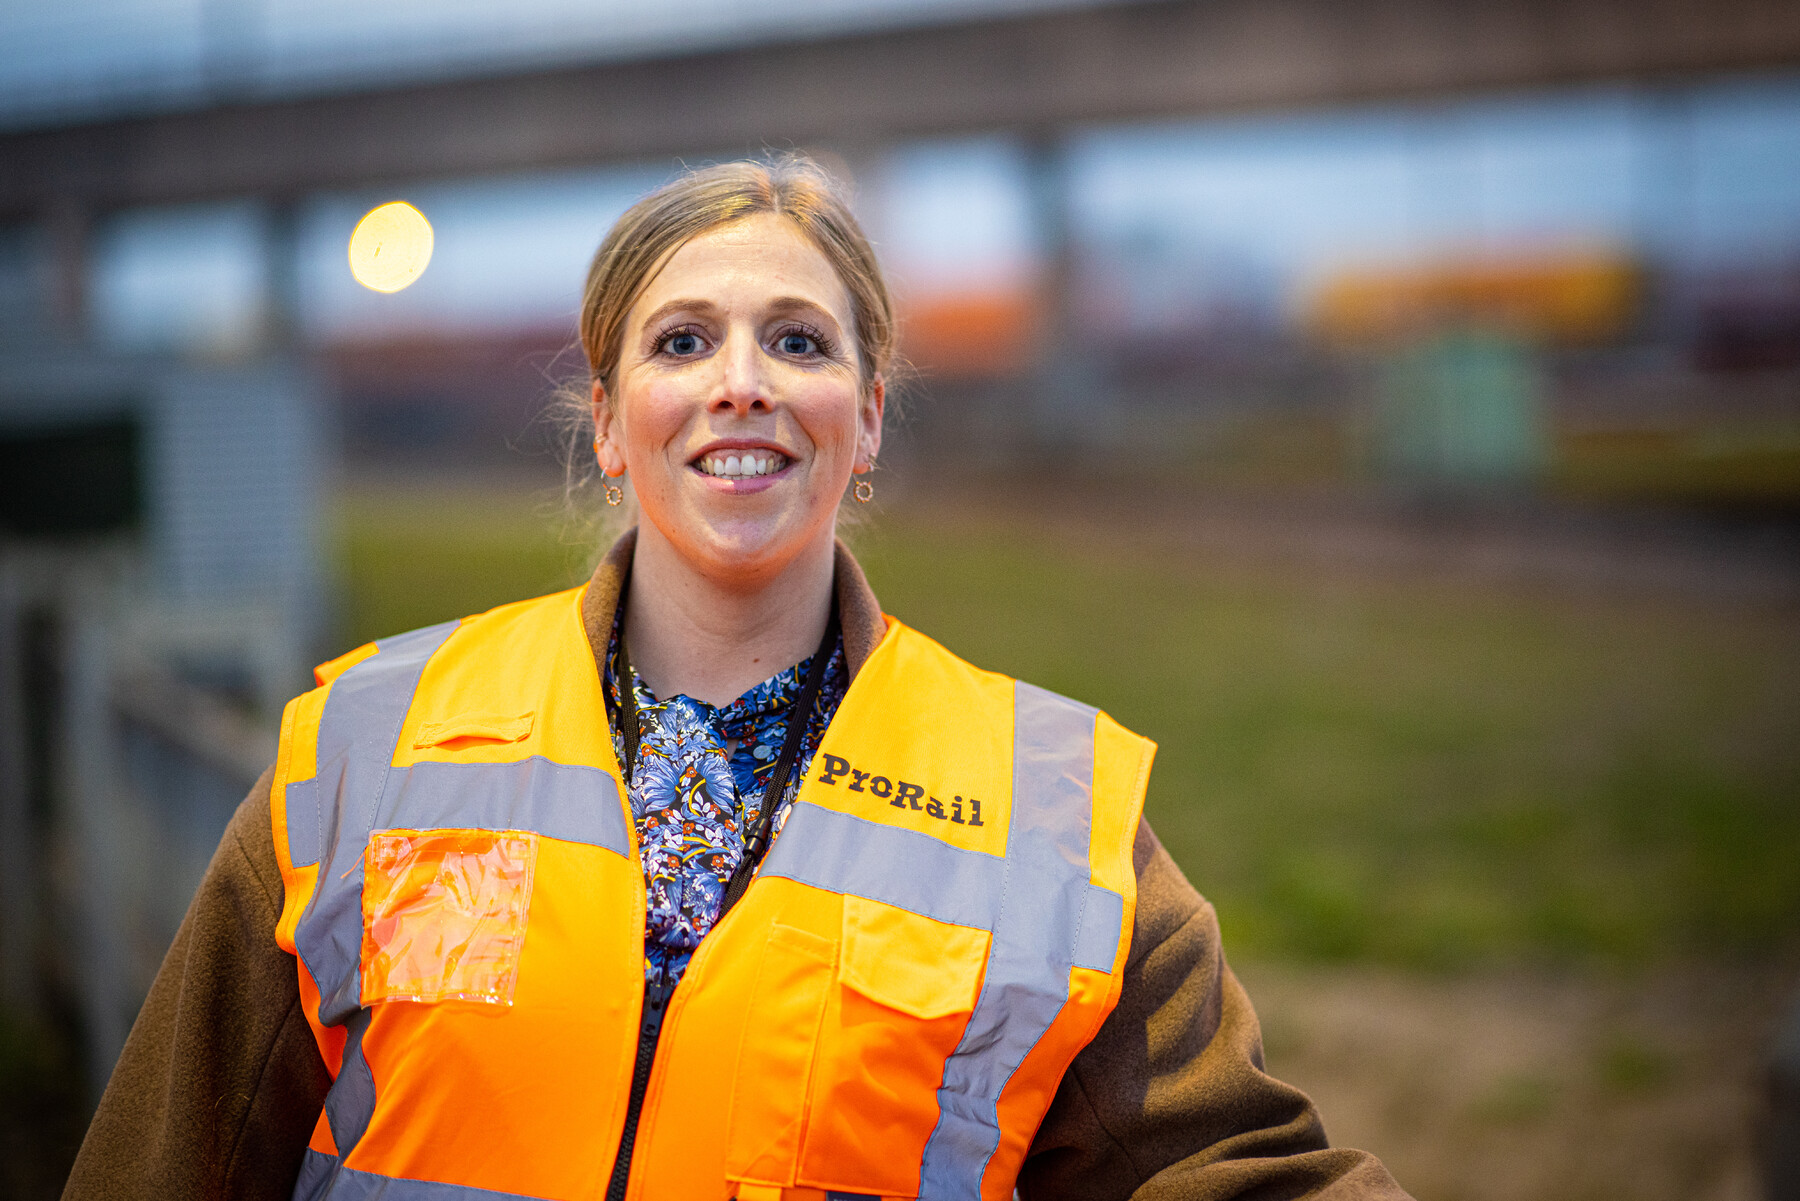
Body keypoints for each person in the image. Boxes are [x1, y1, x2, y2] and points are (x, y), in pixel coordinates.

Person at [63, 156, 1411, 1201]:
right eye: (685, 341)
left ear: (869, 415)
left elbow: (1238, 1177)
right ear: (607, 420)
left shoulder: (1052, 816)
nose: (744, 385)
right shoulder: (363, 749)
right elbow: (163, 1160)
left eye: (802, 342)